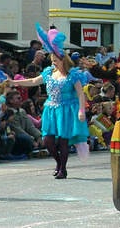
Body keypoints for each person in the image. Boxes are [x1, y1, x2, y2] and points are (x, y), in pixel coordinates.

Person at [12, 24, 89, 179]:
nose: (53, 62)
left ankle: (63, 169)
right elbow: (33, 81)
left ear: (63, 60)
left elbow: (81, 94)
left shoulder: (72, 75)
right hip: (51, 110)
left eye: (55, 60)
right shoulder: (48, 73)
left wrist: (81, 111)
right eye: (52, 60)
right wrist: (16, 82)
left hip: (66, 110)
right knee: (47, 140)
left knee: (63, 141)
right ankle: (59, 163)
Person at [5, 89, 43, 157]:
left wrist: (39, 136)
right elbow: (18, 130)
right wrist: (32, 140)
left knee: (43, 136)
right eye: (18, 98)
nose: (21, 99)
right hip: (15, 138)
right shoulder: (9, 112)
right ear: (11, 101)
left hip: (25, 135)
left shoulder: (22, 111)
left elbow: (30, 127)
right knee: (25, 138)